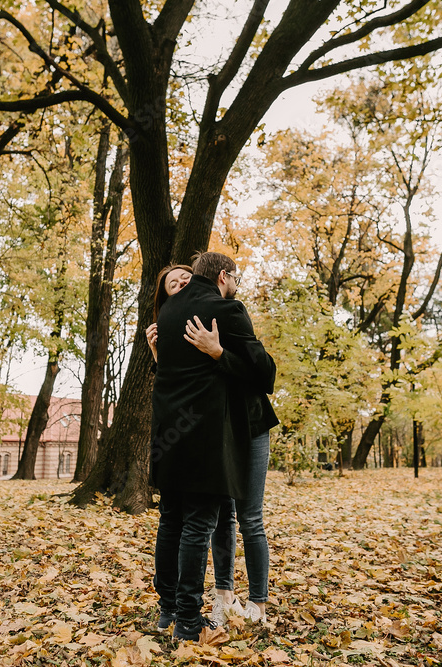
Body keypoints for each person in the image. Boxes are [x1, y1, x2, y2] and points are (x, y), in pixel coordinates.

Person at [150, 252, 277, 640]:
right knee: (201, 523)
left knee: (174, 521)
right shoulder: (226, 309)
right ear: (224, 276)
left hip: (171, 435)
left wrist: (218, 354)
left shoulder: (168, 315)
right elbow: (266, 373)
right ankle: (188, 618)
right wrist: (220, 352)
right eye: (236, 277)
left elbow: (177, 377)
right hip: (209, 437)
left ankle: (170, 610)